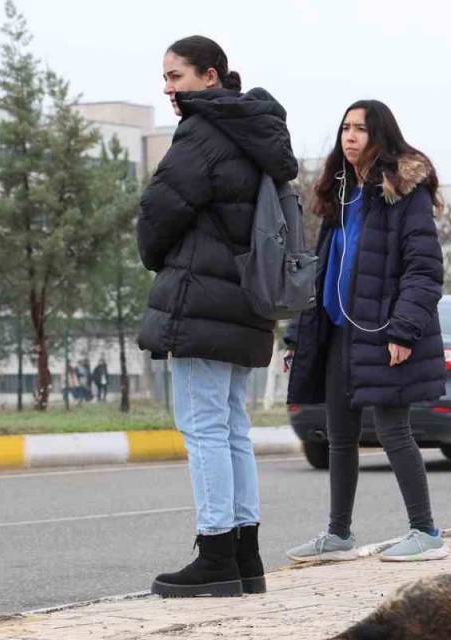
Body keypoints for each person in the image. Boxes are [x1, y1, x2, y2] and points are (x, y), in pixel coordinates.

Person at [136, 35, 297, 597]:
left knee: (204, 429)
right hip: (248, 301)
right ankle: (245, 557)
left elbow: (159, 207)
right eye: (165, 77)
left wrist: (157, 257)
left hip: (203, 300)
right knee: (231, 429)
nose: (167, 88)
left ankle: (215, 555)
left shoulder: (204, 131)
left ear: (210, 76)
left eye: (175, 76)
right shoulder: (260, 132)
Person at [284, 100, 448, 563]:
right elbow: (319, 272)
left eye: (360, 129)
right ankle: (338, 535)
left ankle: (426, 531)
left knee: (394, 430)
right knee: (339, 436)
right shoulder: (339, 193)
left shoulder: (402, 191)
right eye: (345, 128)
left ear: (381, 136)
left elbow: (424, 269)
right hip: (338, 330)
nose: (350, 136)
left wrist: (404, 331)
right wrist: (298, 336)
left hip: (384, 330)